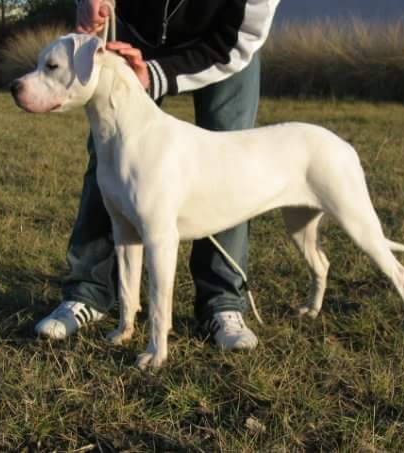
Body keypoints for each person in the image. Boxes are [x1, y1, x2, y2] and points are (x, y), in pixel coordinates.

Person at [35, 0, 279, 350]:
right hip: (137, 31)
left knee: (229, 160)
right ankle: (87, 293)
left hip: (224, 43)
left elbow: (244, 34)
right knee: (109, 152)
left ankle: (222, 301)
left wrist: (156, 75)